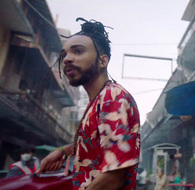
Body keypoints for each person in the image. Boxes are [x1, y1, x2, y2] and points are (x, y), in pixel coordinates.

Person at [36, 18, 141, 190]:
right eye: (64, 55)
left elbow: (114, 176)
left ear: (102, 61)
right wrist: (63, 151)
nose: (67, 59)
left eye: (78, 51)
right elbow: (99, 144)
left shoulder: (112, 96)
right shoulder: (99, 100)